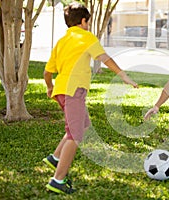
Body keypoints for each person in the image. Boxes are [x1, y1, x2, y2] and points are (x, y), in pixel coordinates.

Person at [43, 2, 138, 194]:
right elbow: (104, 58)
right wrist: (123, 76)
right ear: (84, 21)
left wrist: (50, 87)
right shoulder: (86, 37)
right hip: (74, 91)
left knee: (82, 125)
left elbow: (47, 71)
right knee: (75, 135)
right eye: (88, 21)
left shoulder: (62, 41)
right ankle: (57, 181)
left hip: (61, 90)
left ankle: (54, 158)